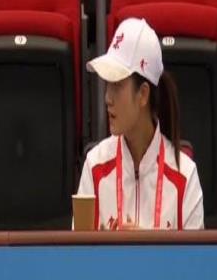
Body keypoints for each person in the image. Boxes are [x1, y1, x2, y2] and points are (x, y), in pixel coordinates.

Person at [77, 18, 204, 230]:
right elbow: (75, 250)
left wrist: (145, 245)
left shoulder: (185, 176)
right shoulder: (94, 166)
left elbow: (196, 253)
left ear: (143, 94)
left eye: (117, 85)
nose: (107, 98)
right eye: (107, 84)